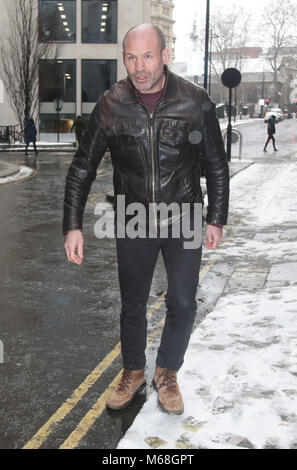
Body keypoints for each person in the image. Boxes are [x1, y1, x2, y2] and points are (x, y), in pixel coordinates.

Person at [63, 24, 229, 415]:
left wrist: (215, 218)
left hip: (184, 214)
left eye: (148, 56)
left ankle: (167, 372)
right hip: (133, 218)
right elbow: (82, 169)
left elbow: (217, 166)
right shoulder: (110, 104)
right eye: (131, 57)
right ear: (125, 59)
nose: (139, 67)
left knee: (184, 303)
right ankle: (134, 371)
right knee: (133, 304)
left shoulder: (194, 101)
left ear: (165, 55)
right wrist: (72, 225)